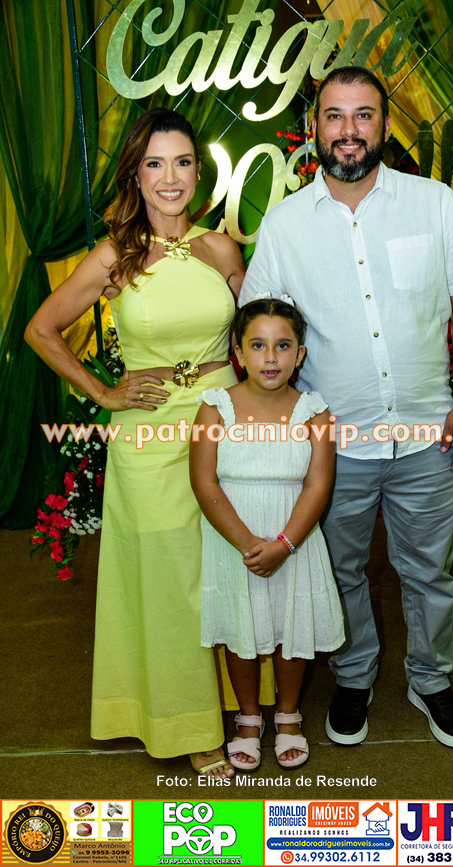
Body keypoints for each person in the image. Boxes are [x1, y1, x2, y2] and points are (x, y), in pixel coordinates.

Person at [239, 66, 453, 749]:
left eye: (362, 115)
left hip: (430, 434)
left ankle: (429, 677)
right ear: (314, 127)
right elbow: (260, 326)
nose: (348, 130)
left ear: (384, 124)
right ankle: (353, 674)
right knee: (341, 571)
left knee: (429, 572)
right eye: (334, 116)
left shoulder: (433, 204)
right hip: (334, 444)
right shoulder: (285, 225)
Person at [25, 107, 246, 779]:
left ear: (198, 172)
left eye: (181, 162)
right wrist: (104, 392)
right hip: (149, 435)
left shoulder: (222, 250)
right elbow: (41, 329)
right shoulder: (113, 254)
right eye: (154, 163)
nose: (169, 177)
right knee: (170, 579)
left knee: (226, 568)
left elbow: (258, 336)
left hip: (222, 425)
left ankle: (240, 704)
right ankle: (190, 724)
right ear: (136, 175)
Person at [190, 296, 345, 769]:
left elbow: (318, 484)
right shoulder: (214, 408)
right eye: (258, 345)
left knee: (289, 628)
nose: (271, 357)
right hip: (234, 541)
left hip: (292, 539)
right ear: (238, 353)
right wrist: (248, 545)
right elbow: (204, 482)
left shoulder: (314, 412)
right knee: (242, 628)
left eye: (283, 345)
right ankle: (249, 716)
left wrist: (283, 544)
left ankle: (288, 714)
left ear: (300, 354)